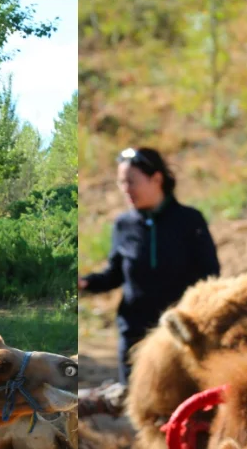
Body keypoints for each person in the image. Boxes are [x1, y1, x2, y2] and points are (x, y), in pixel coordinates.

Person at [78, 148, 218, 386]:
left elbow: (210, 276)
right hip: (134, 333)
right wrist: (86, 283)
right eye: (121, 182)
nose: (126, 189)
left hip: (179, 336)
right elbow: (115, 275)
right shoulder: (124, 225)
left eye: (131, 181)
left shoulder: (189, 221)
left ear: (157, 179)